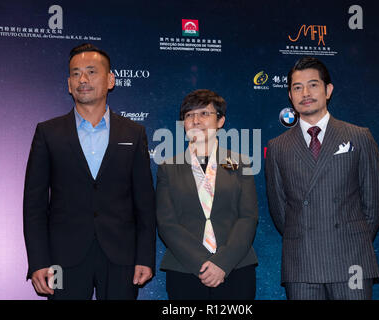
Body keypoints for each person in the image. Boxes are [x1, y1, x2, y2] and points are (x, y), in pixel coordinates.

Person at [23, 43, 156, 300]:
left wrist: (145, 257)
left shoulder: (133, 133)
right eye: (75, 73)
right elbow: (34, 205)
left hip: (122, 257)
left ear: (110, 80)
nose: (83, 79)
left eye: (92, 72)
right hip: (62, 258)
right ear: (69, 84)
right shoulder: (48, 133)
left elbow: (145, 203)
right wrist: (38, 261)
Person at [265, 57, 379, 300]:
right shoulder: (277, 147)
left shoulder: (359, 137)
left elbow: (373, 203)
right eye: (297, 88)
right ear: (290, 95)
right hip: (302, 261)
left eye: (313, 85)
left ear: (328, 90)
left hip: (352, 259)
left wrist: (351, 238)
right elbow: (279, 211)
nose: (305, 93)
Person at [156, 89, 258, 300]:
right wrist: (203, 263)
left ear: (220, 121)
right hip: (185, 268)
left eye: (204, 114)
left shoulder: (240, 163)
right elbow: (167, 223)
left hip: (235, 267)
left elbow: (248, 217)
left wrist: (222, 262)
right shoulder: (168, 167)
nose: (196, 120)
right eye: (189, 115)